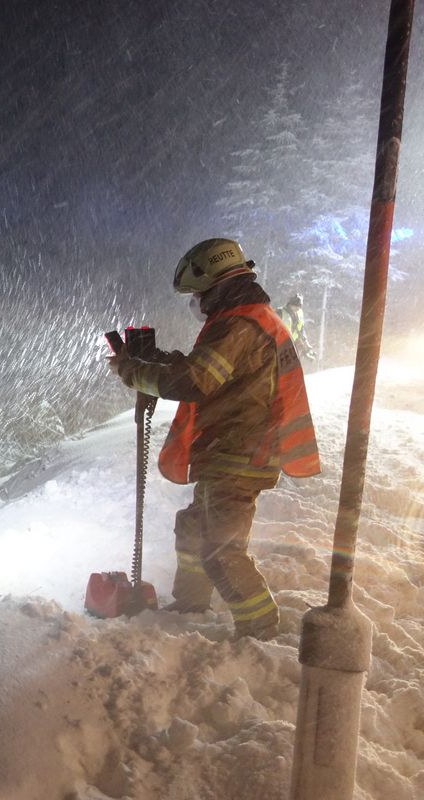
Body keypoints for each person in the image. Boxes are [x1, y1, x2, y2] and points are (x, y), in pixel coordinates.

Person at [107, 238, 320, 640]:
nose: (197, 302)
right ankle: (191, 603)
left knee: (221, 549)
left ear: (216, 284)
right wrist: (155, 361)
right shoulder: (246, 316)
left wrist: (133, 371)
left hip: (241, 452)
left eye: (199, 293)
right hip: (232, 449)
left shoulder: (237, 325)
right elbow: (207, 370)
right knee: (193, 528)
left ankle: (259, 630)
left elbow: (194, 381)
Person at [277, 293, 317, 360]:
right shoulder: (280, 312)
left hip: (292, 343)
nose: (297, 308)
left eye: (299, 306)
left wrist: (306, 346)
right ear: (290, 304)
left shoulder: (299, 313)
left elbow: (300, 330)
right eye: (295, 306)